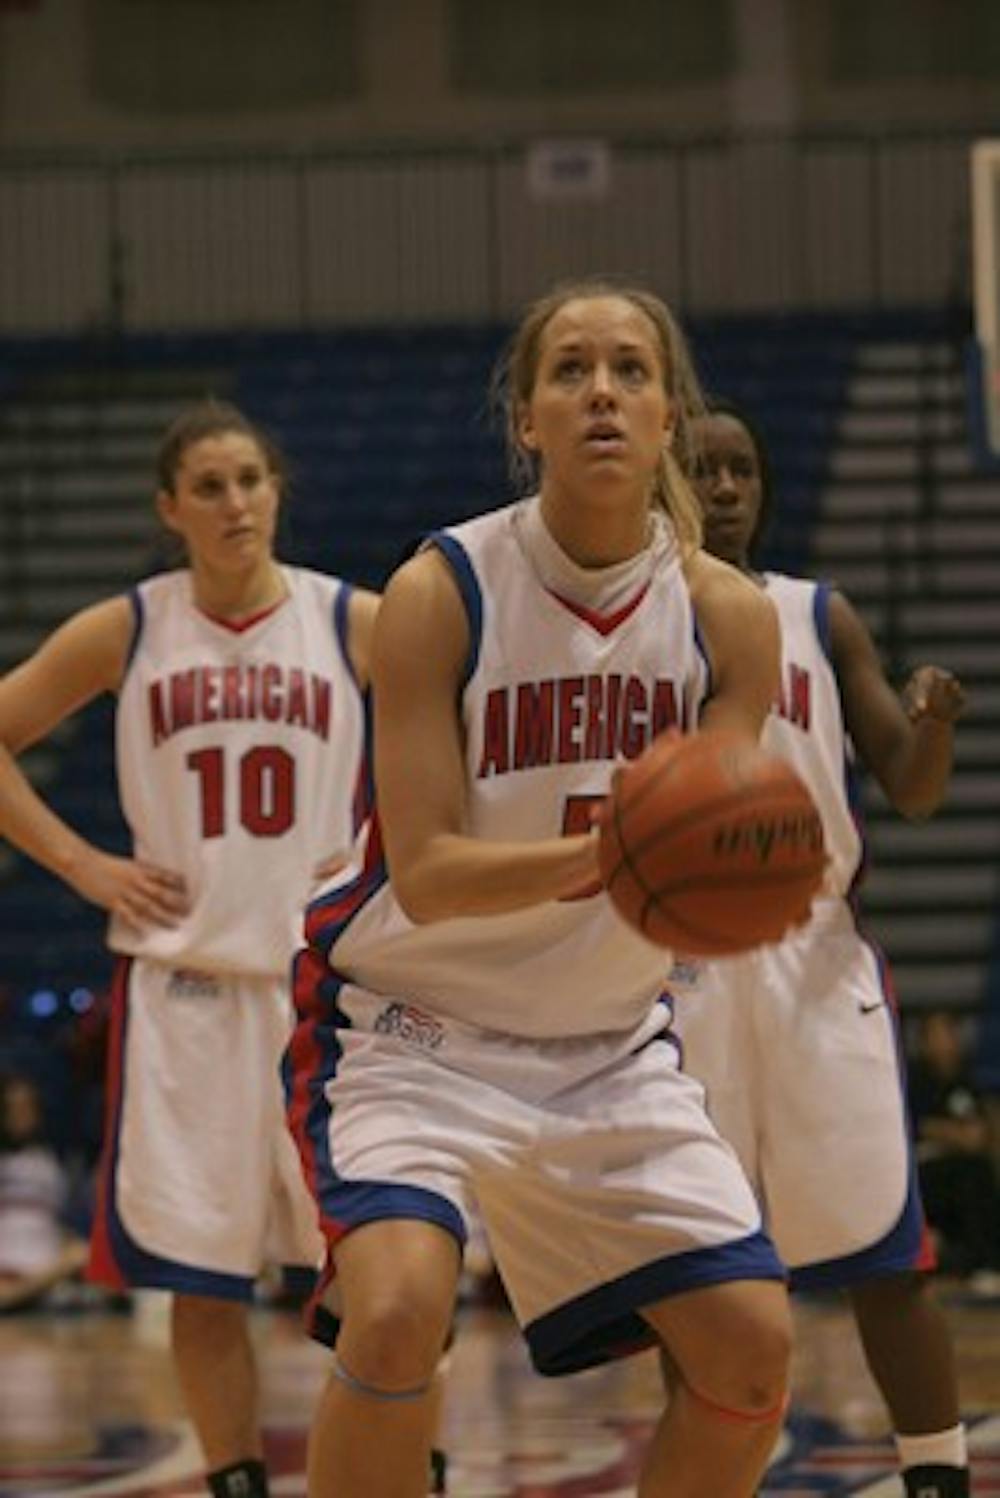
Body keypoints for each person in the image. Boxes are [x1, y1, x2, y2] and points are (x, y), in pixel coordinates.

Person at [285, 278, 797, 1498]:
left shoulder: (728, 619)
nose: (601, 392)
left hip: (609, 1044)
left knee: (751, 1352)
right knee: (401, 1309)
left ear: (670, 414)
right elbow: (430, 871)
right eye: (570, 371)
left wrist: (728, 868)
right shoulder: (441, 589)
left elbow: (715, 857)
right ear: (527, 419)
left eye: (630, 369)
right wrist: (614, 855)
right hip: (413, 1031)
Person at [0, 400, 378, 1498]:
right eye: (207, 486)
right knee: (205, 1283)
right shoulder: (129, 626)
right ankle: (237, 1480)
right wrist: (81, 864)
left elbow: (465, 701)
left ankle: (411, 1465)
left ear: (277, 492)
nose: (234, 503)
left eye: (250, 480)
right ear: (169, 508)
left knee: (377, 1270)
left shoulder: (349, 617)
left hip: (324, 998)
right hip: (186, 991)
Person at [669, 400, 972, 1498]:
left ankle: (937, 1479)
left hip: (813, 954)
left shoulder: (818, 614)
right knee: (692, 1265)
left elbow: (912, 787)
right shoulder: (628, 622)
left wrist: (932, 721)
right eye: (704, 469)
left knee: (885, 1256)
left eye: (743, 468)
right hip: (681, 955)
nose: (727, 486)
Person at [908, 1009, 1000, 1295]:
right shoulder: (915, 1080)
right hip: (923, 1167)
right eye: (938, 1034)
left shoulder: (965, 1079)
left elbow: (981, 1128)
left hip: (962, 1164)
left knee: (978, 1170)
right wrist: (955, 1134)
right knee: (972, 1173)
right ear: (924, 1042)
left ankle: (980, 1262)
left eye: (951, 1033)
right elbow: (922, 1126)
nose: (947, 1042)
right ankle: (982, 1264)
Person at [0, 1071, 89, 1313]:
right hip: (8, 1268)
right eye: (13, 1108)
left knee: (84, 1253)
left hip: (49, 1267)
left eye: (28, 1107)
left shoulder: (51, 1161)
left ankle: (35, 1294)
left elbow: (61, 1221)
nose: (22, 1115)